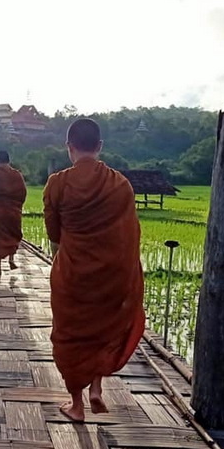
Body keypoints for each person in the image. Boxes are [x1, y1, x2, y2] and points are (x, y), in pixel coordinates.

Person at [43, 118, 145, 422]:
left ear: (69, 148)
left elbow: (53, 233)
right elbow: (128, 236)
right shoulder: (120, 184)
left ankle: (76, 404)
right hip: (111, 276)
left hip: (73, 275)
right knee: (105, 329)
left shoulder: (58, 184)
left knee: (69, 336)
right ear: (99, 147)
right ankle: (96, 387)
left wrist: (68, 250)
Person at [0, 151, 27, 275]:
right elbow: (23, 193)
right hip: (14, 211)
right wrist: (17, 206)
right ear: (9, 160)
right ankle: (11, 260)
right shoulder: (17, 175)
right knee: (12, 234)